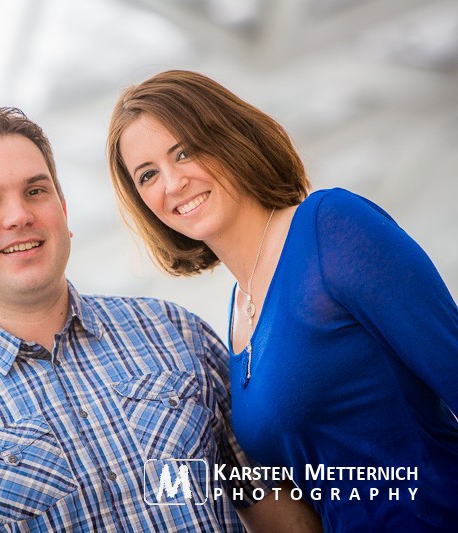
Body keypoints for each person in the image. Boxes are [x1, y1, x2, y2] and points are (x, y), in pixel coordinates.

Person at [0, 107, 321, 531]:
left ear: (63, 212)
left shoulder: (175, 332)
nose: (19, 215)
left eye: (35, 191)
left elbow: (270, 499)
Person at [107, 69, 458, 531]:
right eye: (148, 174)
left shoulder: (331, 227)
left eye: (185, 151)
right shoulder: (237, 314)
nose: (172, 183)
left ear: (229, 138)